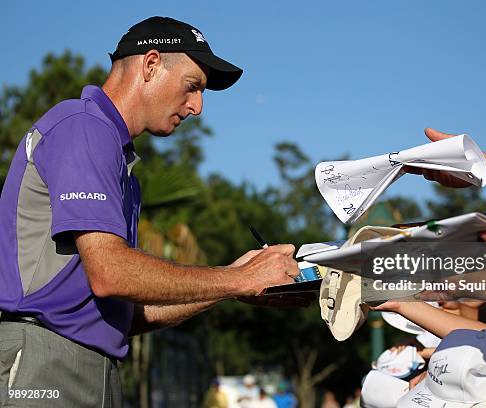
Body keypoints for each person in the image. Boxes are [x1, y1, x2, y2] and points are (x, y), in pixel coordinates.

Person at [0, 16, 300, 407]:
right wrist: (236, 278)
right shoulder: (84, 126)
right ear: (151, 64)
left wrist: (235, 284)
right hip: (45, 358)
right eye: (193, 87)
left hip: (91, 367)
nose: (197, 107)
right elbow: (111, 274)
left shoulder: (118, 160)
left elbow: (127, 312)